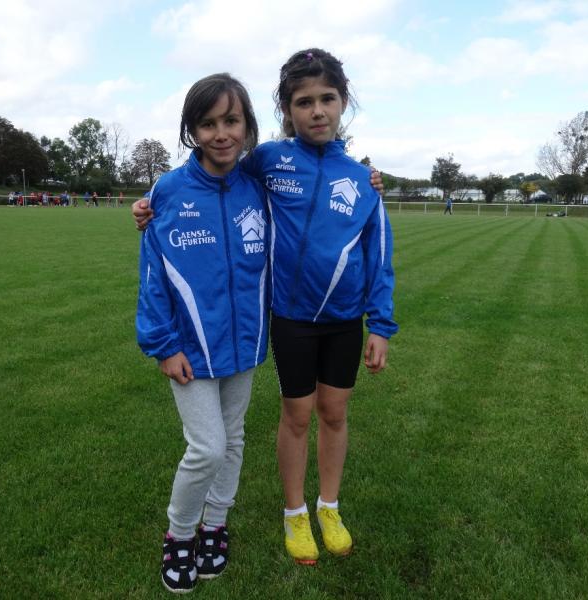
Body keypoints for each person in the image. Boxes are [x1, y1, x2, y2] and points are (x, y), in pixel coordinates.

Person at [133, 49, 397, 567]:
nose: (317, 110)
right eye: (304, 102)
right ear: (285, 109)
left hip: (339, 322)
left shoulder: (361, 180)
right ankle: (288, 514)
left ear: (344, 102)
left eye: (327, 99)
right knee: (280, 421)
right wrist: (147, 204)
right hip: (289, 320)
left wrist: (381, 324)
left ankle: (324, 508)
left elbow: (379, 256)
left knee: (327, 415)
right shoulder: (268, 161)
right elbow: (202, 179)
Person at [136, 73, 268, 593]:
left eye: (231, 120)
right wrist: (164, 346)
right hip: (189, 349)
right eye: (207, 123)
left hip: (245, 343)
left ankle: (216, 525)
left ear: (247, 125)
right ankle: (180, 534)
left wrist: (367, 177)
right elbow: (152, 275)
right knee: (207, 448)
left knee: (232, 440)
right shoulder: (168, 191)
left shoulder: (257, 186)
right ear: (192, 130)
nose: (221, 133)